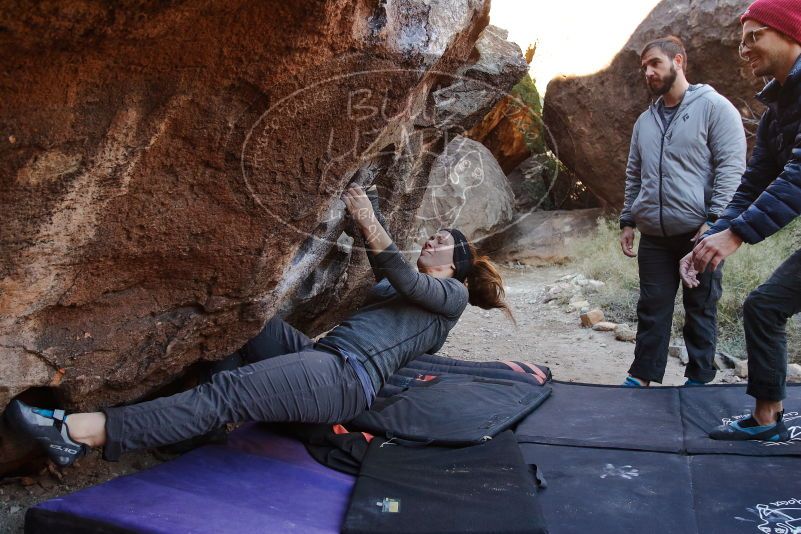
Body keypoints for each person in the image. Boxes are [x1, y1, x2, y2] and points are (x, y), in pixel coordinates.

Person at [8, 183, 513, 466]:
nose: (430, 240)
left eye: (441, 240)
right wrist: (370, 199)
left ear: (458, 262)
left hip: (343, 377)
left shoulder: (449, 296)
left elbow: (401, 273)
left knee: (226, 393)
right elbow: (389, 269)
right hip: (322, 363)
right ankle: (189, 435)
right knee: (242, 325)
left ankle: (76, 434)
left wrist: (368, 217)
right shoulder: (408, 288)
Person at [680, 0, 801, 442]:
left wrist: (737, 235)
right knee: (765, 306)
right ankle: (767, 420)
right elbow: (751, 186)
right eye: (741, 39)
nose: (744, 48)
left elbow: (799, 175)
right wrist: (709, 239)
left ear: (792, 35)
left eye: (755, 36)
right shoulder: (775, 116)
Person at [619, 36, 747, 387]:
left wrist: (715, 222)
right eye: (644, 66)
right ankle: (642, 375)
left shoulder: (715, 107)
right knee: (652, 307)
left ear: (678, 61)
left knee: (701, 308)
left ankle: (699, 380)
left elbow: (732, 168)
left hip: (699, 233)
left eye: (655, 63)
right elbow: (634, 174)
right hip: (655, 237)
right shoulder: (644, 121)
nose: (648, 71)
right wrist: (628, 220)